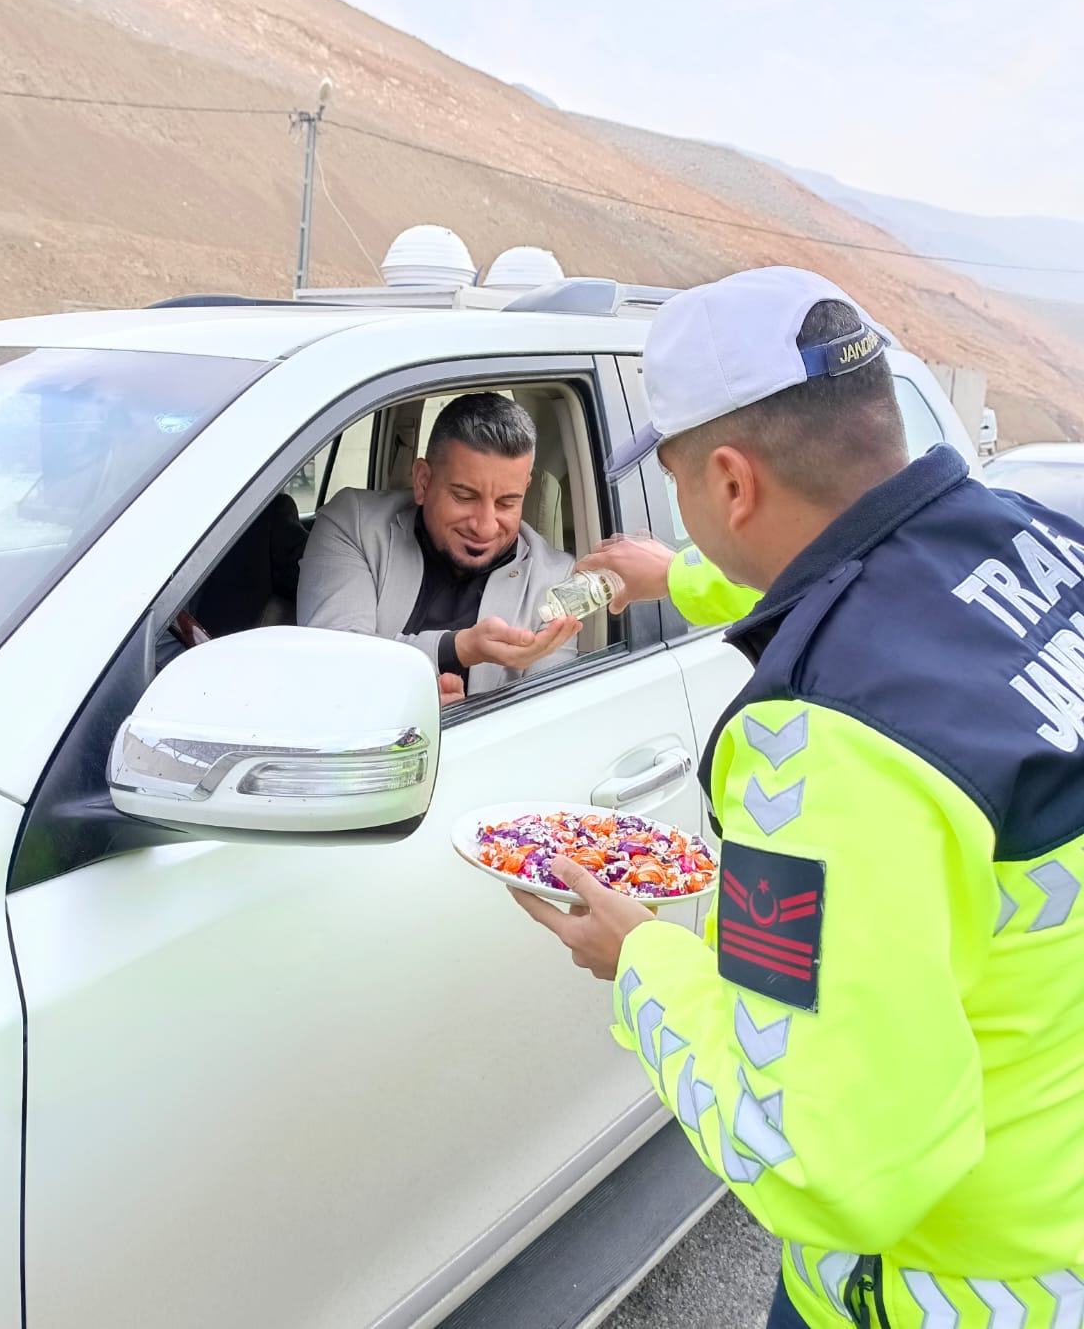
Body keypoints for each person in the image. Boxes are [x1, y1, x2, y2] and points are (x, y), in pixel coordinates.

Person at [517, 265, 1084, 1329]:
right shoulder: (1034, 547)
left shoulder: (827, 744)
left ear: (731, 484)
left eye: (679, 479)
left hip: (939, 1293)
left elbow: (827, 1163)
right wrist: (673, 576)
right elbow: (849, 565)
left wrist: (643, 963)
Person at [297, 392, 580, 706]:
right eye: (464, 497)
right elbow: (333, 664)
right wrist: (457, 649)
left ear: (525, 491)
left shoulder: (556, 580)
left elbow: (550, 713)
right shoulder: (355, 524)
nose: (485, 527)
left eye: (507, 503)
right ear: (422, 481)